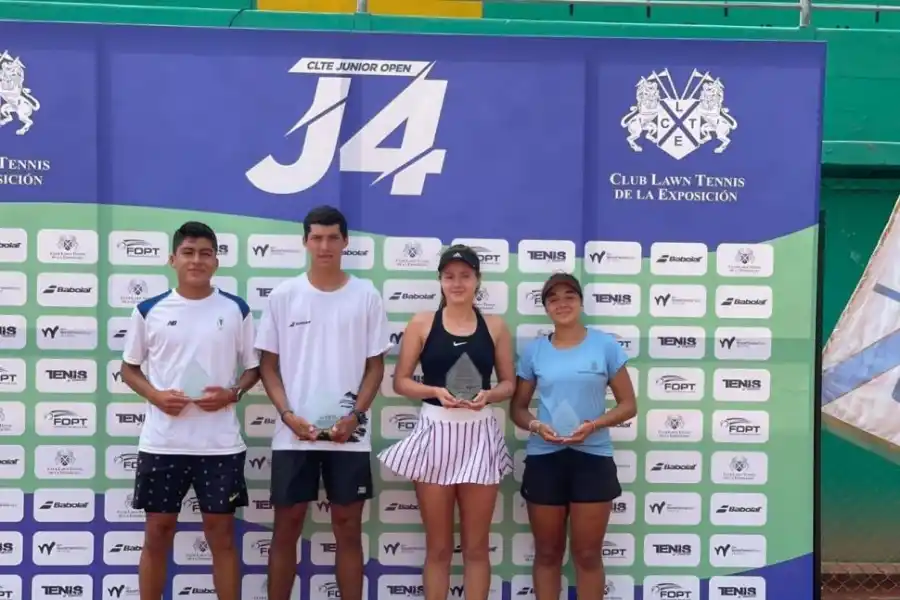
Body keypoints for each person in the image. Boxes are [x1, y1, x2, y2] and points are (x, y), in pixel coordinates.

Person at [255, 205, 391, 600]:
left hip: (349, 436)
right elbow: (267, 366)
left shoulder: (366, 296)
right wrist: (287, 415)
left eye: (333, 237)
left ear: (345, 242)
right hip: (293, 435)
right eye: (317, 237)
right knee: (286, 528)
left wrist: (356, 416)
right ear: (305, 242)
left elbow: (375, 367)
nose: (325, 245)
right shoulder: (284, 296)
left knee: (347, 529)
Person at [119, 221, 260, 600]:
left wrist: (232, 393)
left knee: (222, 536)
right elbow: (128, 369)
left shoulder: (236, 309)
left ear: (216, 261)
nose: (197, 260)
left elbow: (254, 369)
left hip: (220, 446)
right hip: (163, 443)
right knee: (157, 533)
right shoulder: (148, 310)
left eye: (205, 253)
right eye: (188, 252)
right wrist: (156, 396)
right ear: (173, 259)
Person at [378, 244, 516, 600]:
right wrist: (435, 392)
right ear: (440, 280)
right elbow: (401, 381)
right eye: (449, 276)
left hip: (479, 436)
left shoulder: (495, 326)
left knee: (476, 547)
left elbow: (508, 384)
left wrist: (489, 395)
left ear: (477, 280)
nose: (457, 283)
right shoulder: (422, 322)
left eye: (465, 276)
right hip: (435, 434)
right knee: (438, 547)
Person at [509, 273, 637, 600]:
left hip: (592, 459)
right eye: (553, 299)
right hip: (544, 459)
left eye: (569, 296)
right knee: (547, 553)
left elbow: (628, 405)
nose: (562, 304)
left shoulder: (604, 345)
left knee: (588, 555)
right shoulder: (535, 351)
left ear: (580, 302)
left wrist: (594, 425)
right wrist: (537, 426)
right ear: (546, 308)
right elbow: (518, 410)